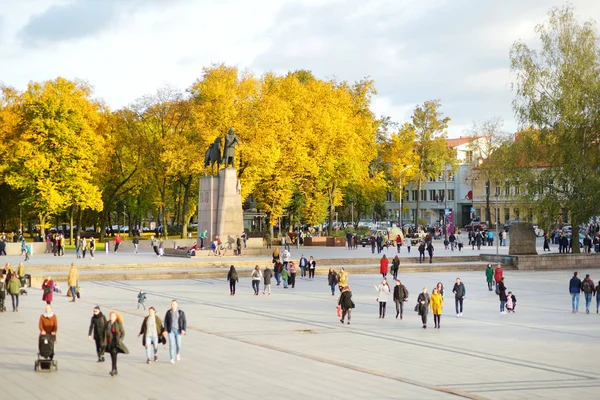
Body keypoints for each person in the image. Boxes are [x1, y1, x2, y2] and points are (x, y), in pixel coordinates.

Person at [163, 300, 186, 364]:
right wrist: (165, 330)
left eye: (174, 304)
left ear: (177, 305)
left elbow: (184, 321)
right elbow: (165, 321)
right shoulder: (168, 312)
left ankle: (178, 354)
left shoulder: (181, 312)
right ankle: (172, 358)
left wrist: (183, 329)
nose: (173, 305)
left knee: (178, 345)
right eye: (172, 304)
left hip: (178, 331)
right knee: (171, 345)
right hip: (171, 331)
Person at [106, 311, 129, 376]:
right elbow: (105, 332)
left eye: (113, 316)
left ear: (116, 317)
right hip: (109, 342)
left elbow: (123, 333)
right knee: (113, 356)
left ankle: (113, 370)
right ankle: (115, 369)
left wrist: (120, 340)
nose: (111, 317)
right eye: (111, 316)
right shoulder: (107, 323)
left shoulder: (118, 323)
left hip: (116, 342)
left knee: (114, 354)